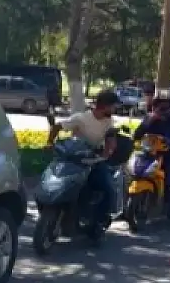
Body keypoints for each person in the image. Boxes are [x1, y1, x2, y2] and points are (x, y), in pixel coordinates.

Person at [46, 89, 119, 242]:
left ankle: (98, 222)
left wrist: (107, 153)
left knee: (108, 188)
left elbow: (110, 140)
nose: (114, 110)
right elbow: (57, 127)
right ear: (105, 106)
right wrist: (49, 142)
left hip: (94, 160)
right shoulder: (81, 118)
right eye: (113, 107)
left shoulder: (109, 122)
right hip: (74, 159)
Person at [132, 94, 170, 221]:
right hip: (149, 154)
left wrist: (167, 140)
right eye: (157, 106)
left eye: (164, 107)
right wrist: (148, 122)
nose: (160, 109)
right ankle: (128, 210)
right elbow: (136, 135)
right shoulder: (149, 119)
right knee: (134, 174)